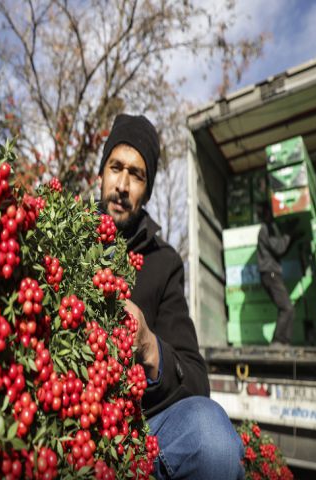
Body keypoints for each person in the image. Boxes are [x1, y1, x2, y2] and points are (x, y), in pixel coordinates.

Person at [98, 114, 244, 479]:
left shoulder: (163, 263)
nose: (123, 184)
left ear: (147, 189)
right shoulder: (66, 236)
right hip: (72, 409)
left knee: (211, 436)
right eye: (116, 167)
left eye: (137, 174)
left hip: (141, 423)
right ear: (101, 173)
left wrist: (150, 348)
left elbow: (196, 380)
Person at [256, 202, 298, 347]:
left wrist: (292, 238)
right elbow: (279, 248)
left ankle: (284, 342)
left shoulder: (270, 229)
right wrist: (289, 234)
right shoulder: (265, 229)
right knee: (287, 308)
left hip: (273, 274)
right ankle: (277, 342)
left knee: (289, 309)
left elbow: (281, 249)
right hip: (270, 274)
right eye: (270, 211)